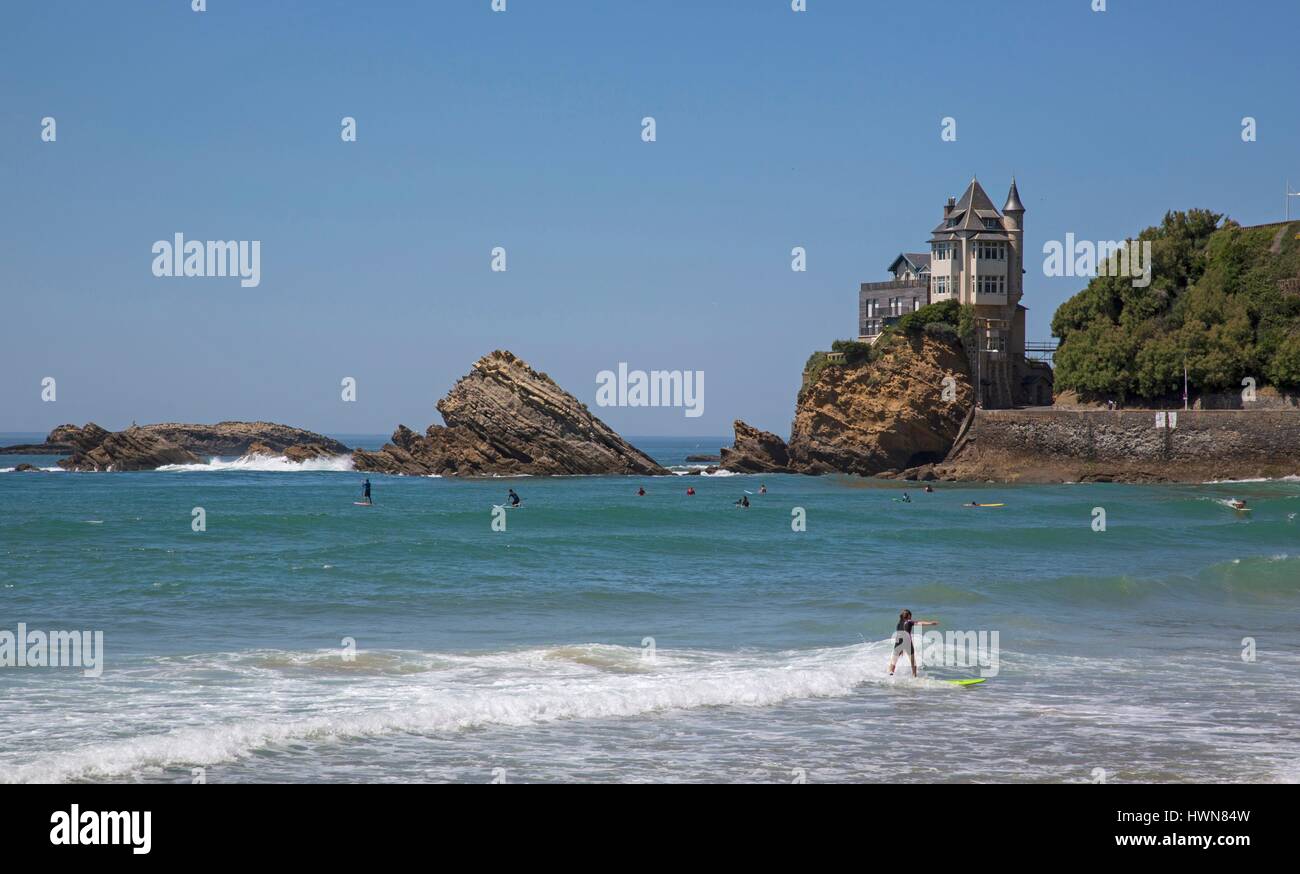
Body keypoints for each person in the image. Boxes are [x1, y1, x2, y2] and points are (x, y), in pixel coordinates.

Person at [888, 609, 939, 678]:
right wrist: (930, 623)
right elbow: (919, 623)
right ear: (908, 616)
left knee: (894, 661)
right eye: (910, 615)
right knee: (912, 661)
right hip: (907, 642)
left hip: (898, 642)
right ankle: (914, 676)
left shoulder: (899, 623)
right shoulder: (909, 621)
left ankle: (890, 675)